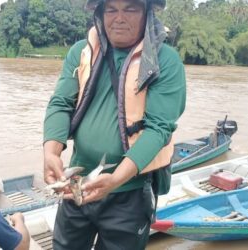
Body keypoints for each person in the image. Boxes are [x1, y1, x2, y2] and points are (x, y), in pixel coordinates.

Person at [43, 0, 186, 249]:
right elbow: (60, 103)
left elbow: (158, 128)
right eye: (111, 9)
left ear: (147, 14)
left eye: (130, 8)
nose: (119, 17)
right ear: (99, 14)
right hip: (77, 185)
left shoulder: (166, 60)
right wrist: (51, 152)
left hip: (129, 193)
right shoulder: (81, 52)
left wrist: (116, 179)